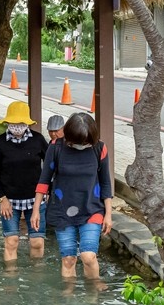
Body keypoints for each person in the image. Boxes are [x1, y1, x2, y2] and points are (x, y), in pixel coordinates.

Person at [32, 113, 112, 279]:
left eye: (85, 142)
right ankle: (69, 300)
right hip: (62, 211)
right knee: (68, 259)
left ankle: (92, 296)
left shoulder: (99, 148)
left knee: (88, 256)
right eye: (78, 142)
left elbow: (105, 183)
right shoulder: (56, 147)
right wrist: (36, 210)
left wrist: (109, 214)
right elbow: (44, 180)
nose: (82, 145)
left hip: (92, 208)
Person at [0, 101, 49, 262]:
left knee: (37, 242)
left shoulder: (38, 140)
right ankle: (10, 280)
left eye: (20, 123)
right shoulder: (0, 143)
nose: (17, 127)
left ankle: (36, 278)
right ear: (7, 122)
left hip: (36, 200)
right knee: (11, 241)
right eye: (14, 123)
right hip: (9, 201)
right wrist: (2, 198)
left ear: (27, 123)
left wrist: (47, 190)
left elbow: (51, 167)